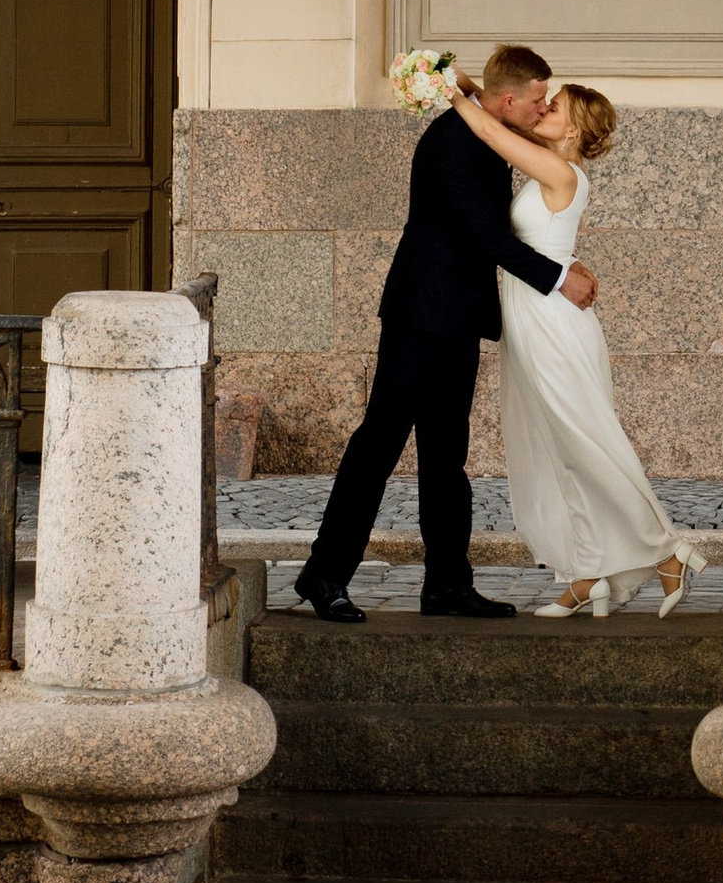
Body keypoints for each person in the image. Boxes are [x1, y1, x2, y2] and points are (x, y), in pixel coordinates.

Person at [289, 42, 598, 625]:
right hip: (420, 313)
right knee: (378, 443)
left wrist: (567, 259)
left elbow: (525, 221)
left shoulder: (488, 130)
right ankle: (323, 575)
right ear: (508, 100)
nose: (542, 111)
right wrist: (558, 280)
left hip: (457, 317)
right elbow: (488, 236)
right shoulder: (453, 142)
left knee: (445, 457)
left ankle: (448, 587)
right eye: (537, 101)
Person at [443, 71, 694, 618]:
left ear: (575, 129)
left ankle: (667, 549)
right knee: (560, 451)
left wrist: (450, 91)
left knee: (583, 442)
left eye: (554, 108)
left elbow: (489, 130)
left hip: (552, 322)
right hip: (532, 317)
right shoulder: (548, 170)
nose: (543, 111)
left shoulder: (560, 170)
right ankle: (586, 575)